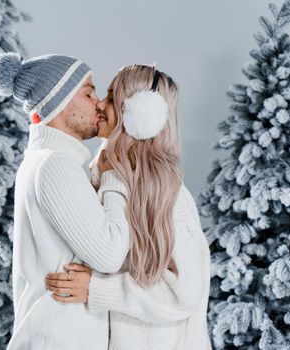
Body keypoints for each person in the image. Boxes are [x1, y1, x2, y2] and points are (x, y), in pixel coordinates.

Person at [45, 64, 212, 349]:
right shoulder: (112, 180)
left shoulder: (166, 194)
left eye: (111, 98)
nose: (99, 104)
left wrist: (97, 290)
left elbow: (184, 293)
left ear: (137, 115)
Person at [0, 52, 130, 349]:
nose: (99, 103)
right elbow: (110, 255)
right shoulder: (54, 166)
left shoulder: (49, 163)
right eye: (88, 91)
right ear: (59, 101)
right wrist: (114, 179)